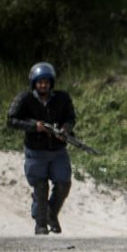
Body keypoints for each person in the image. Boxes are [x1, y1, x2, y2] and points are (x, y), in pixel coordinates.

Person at [6, 62, 76, 235]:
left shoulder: (62, 98)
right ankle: (41, 225)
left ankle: (51, 213)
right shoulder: (25, 98)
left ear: (51, 82)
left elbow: (70, 117)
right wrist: (34, 126)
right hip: (36, 151)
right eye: (40, 82)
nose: (43, 85)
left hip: (58, 150)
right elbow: (11, 120)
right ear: (34, 83)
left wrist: (65, 130)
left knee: (63, 184)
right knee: (40, 186)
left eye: (46, 81)